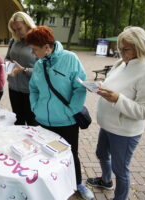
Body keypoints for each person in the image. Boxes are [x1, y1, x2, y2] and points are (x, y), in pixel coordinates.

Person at [86, 27, 145, 200]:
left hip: (124, 132)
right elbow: (111, 83)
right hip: (107, 124)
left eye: (125, 48)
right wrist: (99, 86)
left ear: (140, 47)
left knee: (120, 169)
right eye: (119, 47)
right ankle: (106, 181)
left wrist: (118, 99)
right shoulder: (121, 62)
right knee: (101, 154)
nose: (120, 52)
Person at [26, 26, 94, 200]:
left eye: (35, 49)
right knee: (44, 154)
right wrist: (35, 107)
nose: (33, 53)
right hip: (42, 121)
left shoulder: (70, 59)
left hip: (66, 121)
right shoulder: (39, 63)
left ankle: (78, 183)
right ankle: (49, 183)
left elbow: (80, 88)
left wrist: (70, 110)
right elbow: (33, 88)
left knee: (71, 155)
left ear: (47, 47)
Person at [5, 11, 38, 125]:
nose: (17, 32)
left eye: (19, 29)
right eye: (14, 30)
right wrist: (8, 68)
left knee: (32, 123)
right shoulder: (13, 40)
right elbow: (7, 58)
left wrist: (24, 70)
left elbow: (43, 71)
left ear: (28, 25)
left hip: (30, 91)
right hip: (13, 88)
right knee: (17, 121)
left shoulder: (39, 42)